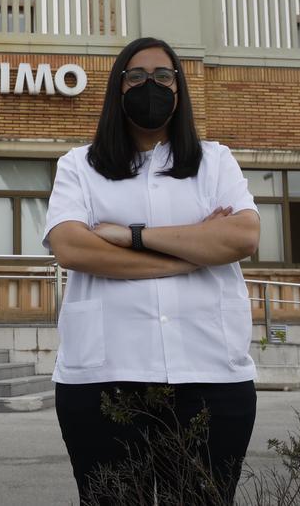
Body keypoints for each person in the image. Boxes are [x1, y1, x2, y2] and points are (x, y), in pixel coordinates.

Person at [43, 36, 261, 505]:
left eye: (164, 76)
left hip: (210, 375)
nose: (151, 85)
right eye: (136, 76)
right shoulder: (79, 166)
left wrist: (133, 235)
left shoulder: (214, 161)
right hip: (104, 380)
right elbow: (71, 246)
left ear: (179, 89)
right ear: (118, 88)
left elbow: (242, 237)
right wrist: (194, 250)